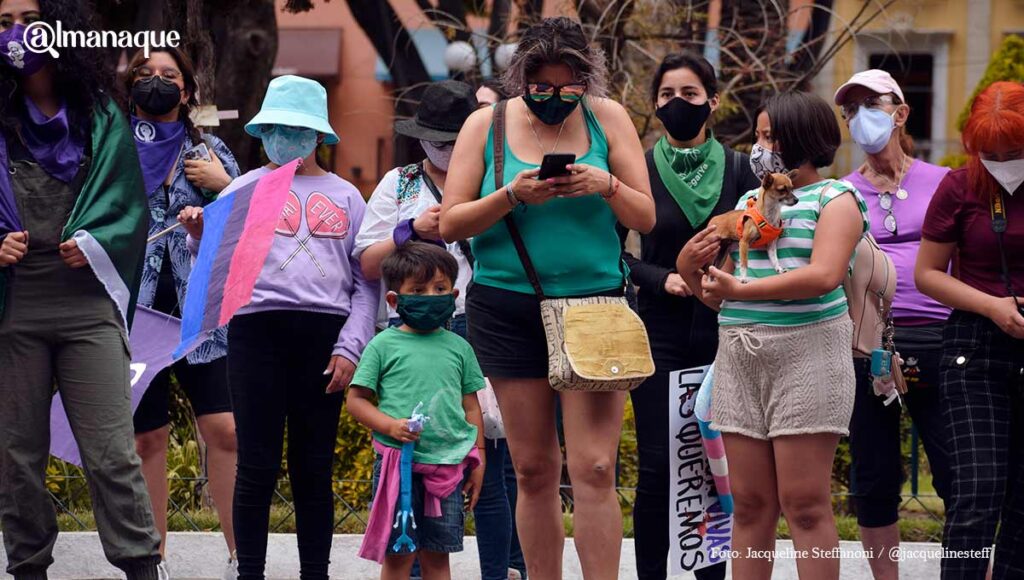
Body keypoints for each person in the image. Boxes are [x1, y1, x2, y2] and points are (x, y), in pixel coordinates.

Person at [439, 17, 655, 579]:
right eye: (542, 88)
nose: (555, 98)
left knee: (595, 465)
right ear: (521, 78)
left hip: (595, 308)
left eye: (568, 88)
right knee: (534, 468)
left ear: (587, 80)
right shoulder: (484, 126)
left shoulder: (607, 118)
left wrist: (604, 184)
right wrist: (513, 193)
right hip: (509, 306)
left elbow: (646, 216)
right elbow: (451, 221)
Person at [181, 75, 378, 580]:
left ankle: (316, 572)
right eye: (276, 126)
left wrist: (351, 347)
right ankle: (251, 573)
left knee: (314, 467)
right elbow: (215, 271)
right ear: (263, 130)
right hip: (255, 336)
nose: (286, 135)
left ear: (319, 135)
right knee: (256, 466)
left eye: (298, 127)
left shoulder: (349, 197)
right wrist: (200, 236)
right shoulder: (244, 187)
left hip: (324, 339)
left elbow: (364, 284)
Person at [0, 1, 163, 578]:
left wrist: (95, 242)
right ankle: (28, 567)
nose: (18, 30)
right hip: (12, 310)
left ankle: (142, 564)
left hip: (88, 306)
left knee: (111, 453)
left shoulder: (101, 115)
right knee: (16, 459)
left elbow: (128, 209)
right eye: (4, 20)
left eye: (28, 15)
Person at [677, 91, 868, 580]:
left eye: (769, 137)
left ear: (804, 139)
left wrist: (742, 288)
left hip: (808, 355)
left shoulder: (836, 199)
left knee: (805, 504)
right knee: (750, 504)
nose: (759, 146)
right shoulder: (747, 202)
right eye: (759, 136)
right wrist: (692, 269)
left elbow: (824, 275)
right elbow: (721, 295)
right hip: (740, 356)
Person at [355, 79, 526, 580]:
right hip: (411, 325)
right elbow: (366, 263)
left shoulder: (498, 178)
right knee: (411, 455)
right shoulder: (399, 183)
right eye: (438, 140)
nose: (448, 150)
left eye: (457, 139)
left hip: (486, 322)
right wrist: (411, 232)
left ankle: (504, 569)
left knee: (491, 462)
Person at [619, 52, 758, 580]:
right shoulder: (637, 170)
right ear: (655, 105)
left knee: (716, 465)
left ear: (713, 102)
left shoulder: (744, 169)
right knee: (657, 464)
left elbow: (763, 240)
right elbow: (614, 254)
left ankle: (711, 574)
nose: (679, 104)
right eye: (668, 96)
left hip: (731, 332)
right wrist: (661, 278)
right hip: (660, 331)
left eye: (691, 95)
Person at [123, 46, 241, 580]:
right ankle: (154, 561)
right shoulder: (111, 148)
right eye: (145, 75)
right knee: (145, 437)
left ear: (187, 91)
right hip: (132, 315)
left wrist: (216, 198)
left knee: (225, 430)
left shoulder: (211, 151)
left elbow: (243, 234)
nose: (156, 83)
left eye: (168, 75)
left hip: (201, 318)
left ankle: (245, 557)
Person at [833, 69, 952, 580]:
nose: (861, 117)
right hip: (867, 346)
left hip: (943, 338)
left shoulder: (944, 181)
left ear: (901, 113)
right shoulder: (841, 193)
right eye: (850, 109)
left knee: (958, 471)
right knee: (874, 473)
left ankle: (968, 569)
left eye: (871, 104)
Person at [915, 80, 1024, 579]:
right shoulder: (959, 187)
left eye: (1015, 152)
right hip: (974, 348)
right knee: (976, 492)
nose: (1003, 162)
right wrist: (993, 307)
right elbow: (928, 274)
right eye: (991, 153)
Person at [347, 242, 486, 580]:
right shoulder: (382, 345)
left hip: (449, 466)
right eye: (418, 290)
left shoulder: (460, 348)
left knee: (439, 557)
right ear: (394, 300)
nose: (430, 295)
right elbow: (356, 400)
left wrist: (478, 457)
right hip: (398, 465)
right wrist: (391, 426)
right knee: (398, 556)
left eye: (439, 289)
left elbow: (471, 406)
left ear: (454, 295)